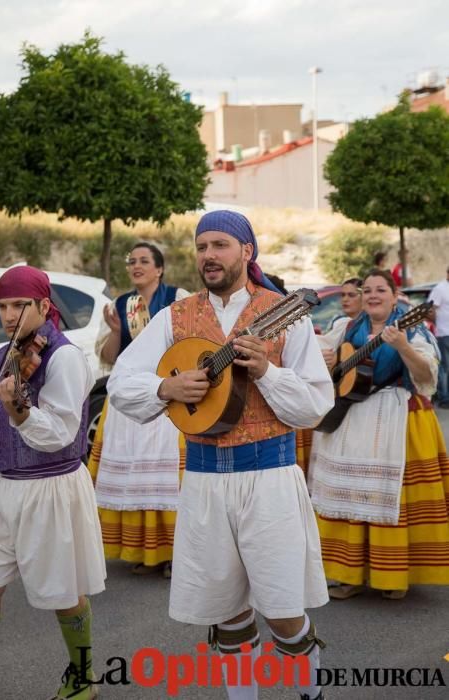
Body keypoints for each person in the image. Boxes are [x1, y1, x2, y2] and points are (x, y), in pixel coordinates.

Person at [107, 210, 334, 700]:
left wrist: (268, 374)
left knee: (283, 610)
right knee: (226, 613)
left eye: (220, 245)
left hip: (269, 477)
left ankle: (309, 693)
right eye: (202, 246)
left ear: (246, 251)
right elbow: (123, 381)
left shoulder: (282, 312)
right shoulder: (177, 315)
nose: (209, 255)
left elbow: (317, 401)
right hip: (205, 482)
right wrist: (168, 385)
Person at [0, 265, 106, 700]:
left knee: (64, 594)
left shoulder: (65, 357)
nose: (10, 315)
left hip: (50, 488)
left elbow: (58, 433)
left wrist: (21, 411)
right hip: (1, 486)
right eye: (3, 306)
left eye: (19, 305)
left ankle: (82, 679)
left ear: (43, 305)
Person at [309, 269, 449, 600]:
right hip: (349, 418)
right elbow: (314, 351)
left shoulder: (412, 328)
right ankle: (349, 575)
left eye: (380, 290)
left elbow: (427, 373)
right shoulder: (345, 327)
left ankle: (393, 574)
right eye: (366, 290)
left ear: (394, 294)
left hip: (395, 416)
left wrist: (403, 348)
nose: (372, 295)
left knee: (390, 496)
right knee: (349, 494)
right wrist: (325, 358)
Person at [88, 242, 189, 579]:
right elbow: (109, 357)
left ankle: (177, 551)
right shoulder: (120, 305)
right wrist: (117, 332)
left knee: (167, 480)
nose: (137, 266)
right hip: (132, 400)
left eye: (144, 261)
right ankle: (147, 552)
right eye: (132, 261)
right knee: (136, 478)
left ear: (159, 269)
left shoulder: (178, 299)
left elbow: (190, 342)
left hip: (166, 394)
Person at [297, 278, 363, 478]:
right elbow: (324, 344)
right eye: (343, 294)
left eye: (351, 295)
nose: (345, 299)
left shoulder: (364, 325)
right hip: (346, 398)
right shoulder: (343, 324)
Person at [428, 266, 449, 408]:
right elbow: (430, 309)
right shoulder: (440, 288)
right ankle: (444, 398)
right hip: (443, 333)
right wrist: (437, 323)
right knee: (443, 367)